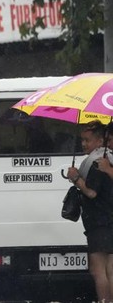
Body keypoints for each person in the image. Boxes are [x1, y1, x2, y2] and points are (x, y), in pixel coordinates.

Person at [66, 122, 113, 302]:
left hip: (100, 223)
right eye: (82, 140)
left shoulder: (97, 162)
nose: (84, 144)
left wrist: (76, 177)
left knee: (98, 270)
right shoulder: (107, 159)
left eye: (88, 140)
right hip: (108, 220)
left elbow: (91, 192)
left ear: (100, 140)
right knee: (109, 269)